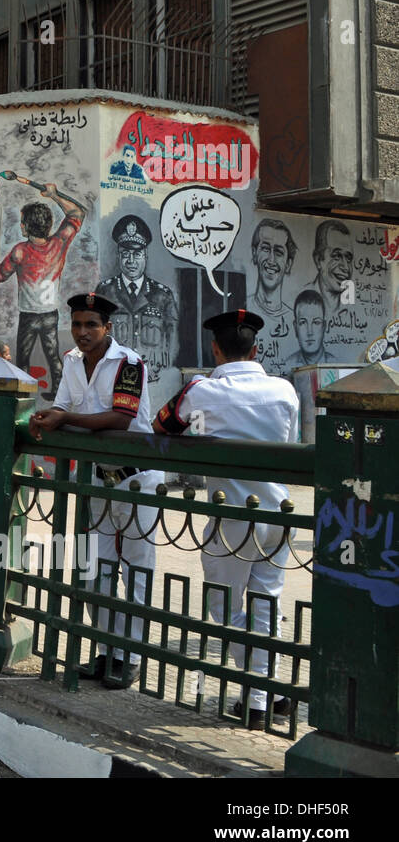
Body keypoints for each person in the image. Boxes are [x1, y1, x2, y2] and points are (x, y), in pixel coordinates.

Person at [153, 310, 300, 727]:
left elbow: (161, 426)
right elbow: (286, 444)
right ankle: (261, 696)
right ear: (257, 350)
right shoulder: (285, 390)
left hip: (232, 517)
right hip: (280, 512)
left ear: (215, 349)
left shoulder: (200, 391)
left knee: (225, 604)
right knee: (266, 604)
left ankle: (259, 695)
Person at [28, 293, 164, 688]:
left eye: (91, 325)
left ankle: (131, 657)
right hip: (98, 481)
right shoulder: (71, 362)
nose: (83, 332)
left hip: (136, 478)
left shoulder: (129, 363)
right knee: (94, 573)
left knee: (136, 572)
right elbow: (64, 407)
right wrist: (48, 418)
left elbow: (121, 420)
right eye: (77, 325)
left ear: (108, 327)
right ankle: (107, 649)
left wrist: (64, 417)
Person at [0, 181, 86, 397]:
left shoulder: (20, 251)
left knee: (23, 358)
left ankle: (23, 396)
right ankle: (58, 392)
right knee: (52, 355)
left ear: (28, 226)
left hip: (29, 315)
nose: (20, 226)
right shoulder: (59, 243)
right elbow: (78, 212)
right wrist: (55, 195)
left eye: (22, 223)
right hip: (50, 313)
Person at [95, 215, 177, 383]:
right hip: (112, 379)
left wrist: (163, 373)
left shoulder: (163, 296)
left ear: (145, 255)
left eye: (137, 254)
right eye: (126, 254)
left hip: (152, 380)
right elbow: (96, 338)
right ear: (118, 255)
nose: (131, 261)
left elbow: (172, 342)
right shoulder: (105, 291)